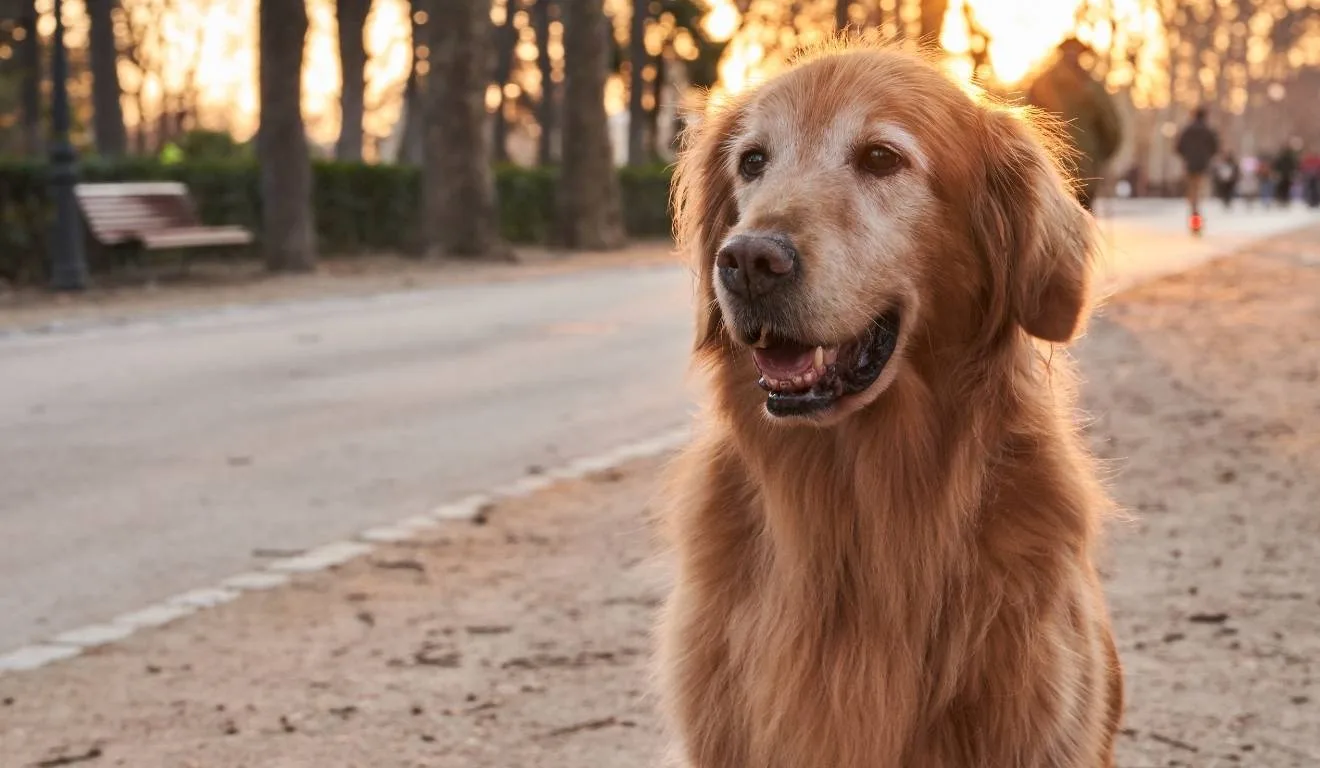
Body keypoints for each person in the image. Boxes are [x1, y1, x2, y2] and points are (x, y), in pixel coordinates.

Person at [1026, 38, 1122, 213]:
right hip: (1084, 167)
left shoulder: (1042, 84)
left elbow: (1027, 123)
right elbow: (1111, 129)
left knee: (1053, 223)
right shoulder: (1092, 87)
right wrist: (1101, 156)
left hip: (1051, 169)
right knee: (1082, 220)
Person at [1174, 107, 1219, 233]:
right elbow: (1215, 148)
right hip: (1202, 166)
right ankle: (1197, 221)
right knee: (1199, 194)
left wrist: (1187, 157)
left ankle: (1194, 220)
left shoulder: (1187, 130)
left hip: (1190, 166)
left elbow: (1178, 147)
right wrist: (1206, 156)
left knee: (1193, 195)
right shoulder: (1208, 131)